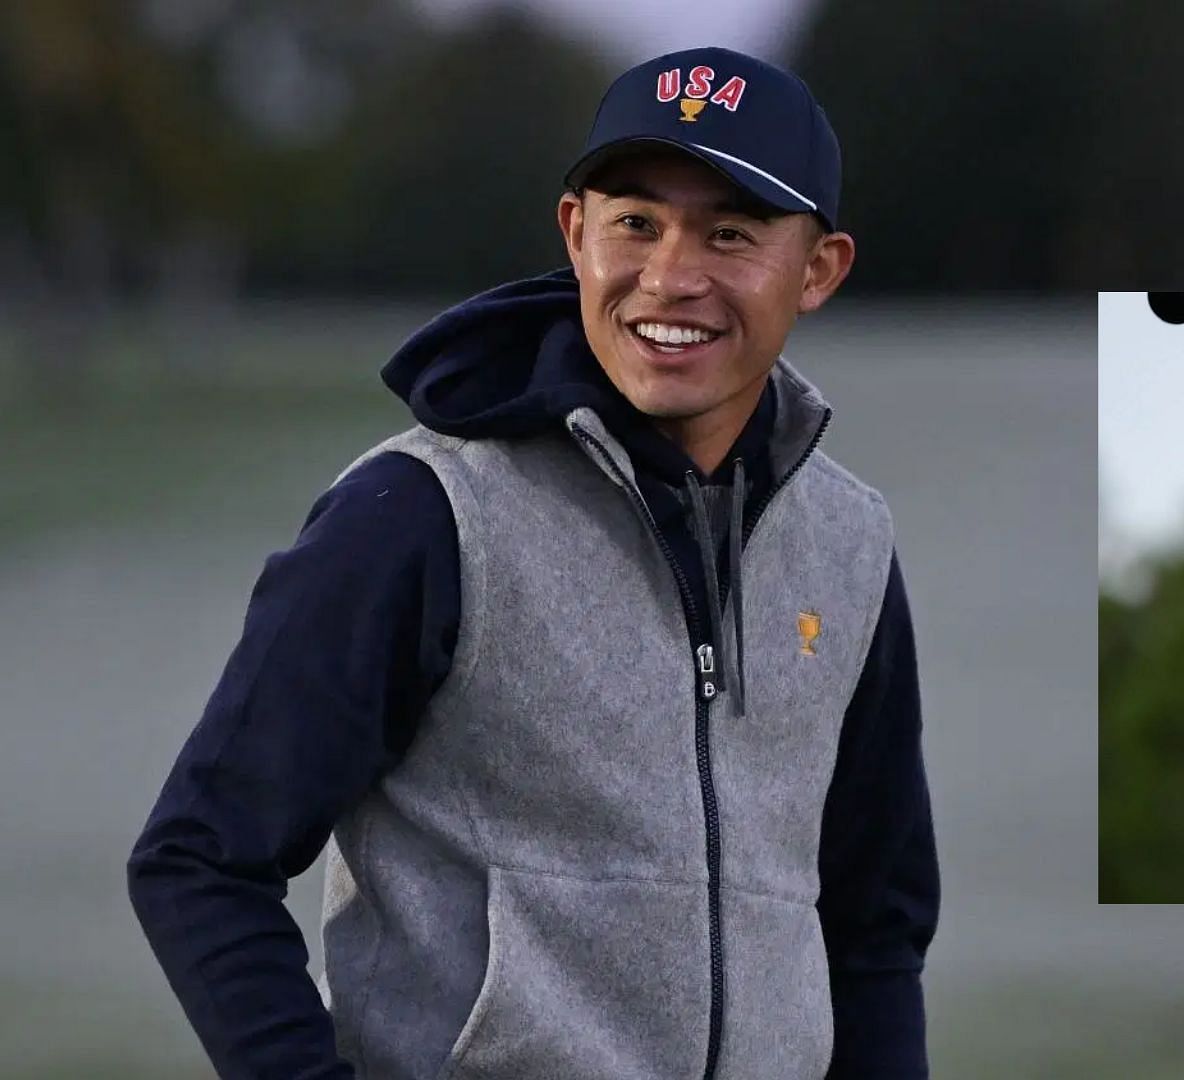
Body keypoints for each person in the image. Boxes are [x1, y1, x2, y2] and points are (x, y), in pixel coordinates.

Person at [127, 46, 937, 1078]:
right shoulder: (419, 513)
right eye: (635, 224)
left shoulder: (849, 544)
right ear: (575, 234)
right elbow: (200, 859)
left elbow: (875, 926)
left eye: (730, 234)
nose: (671, 277)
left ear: (818, 270)